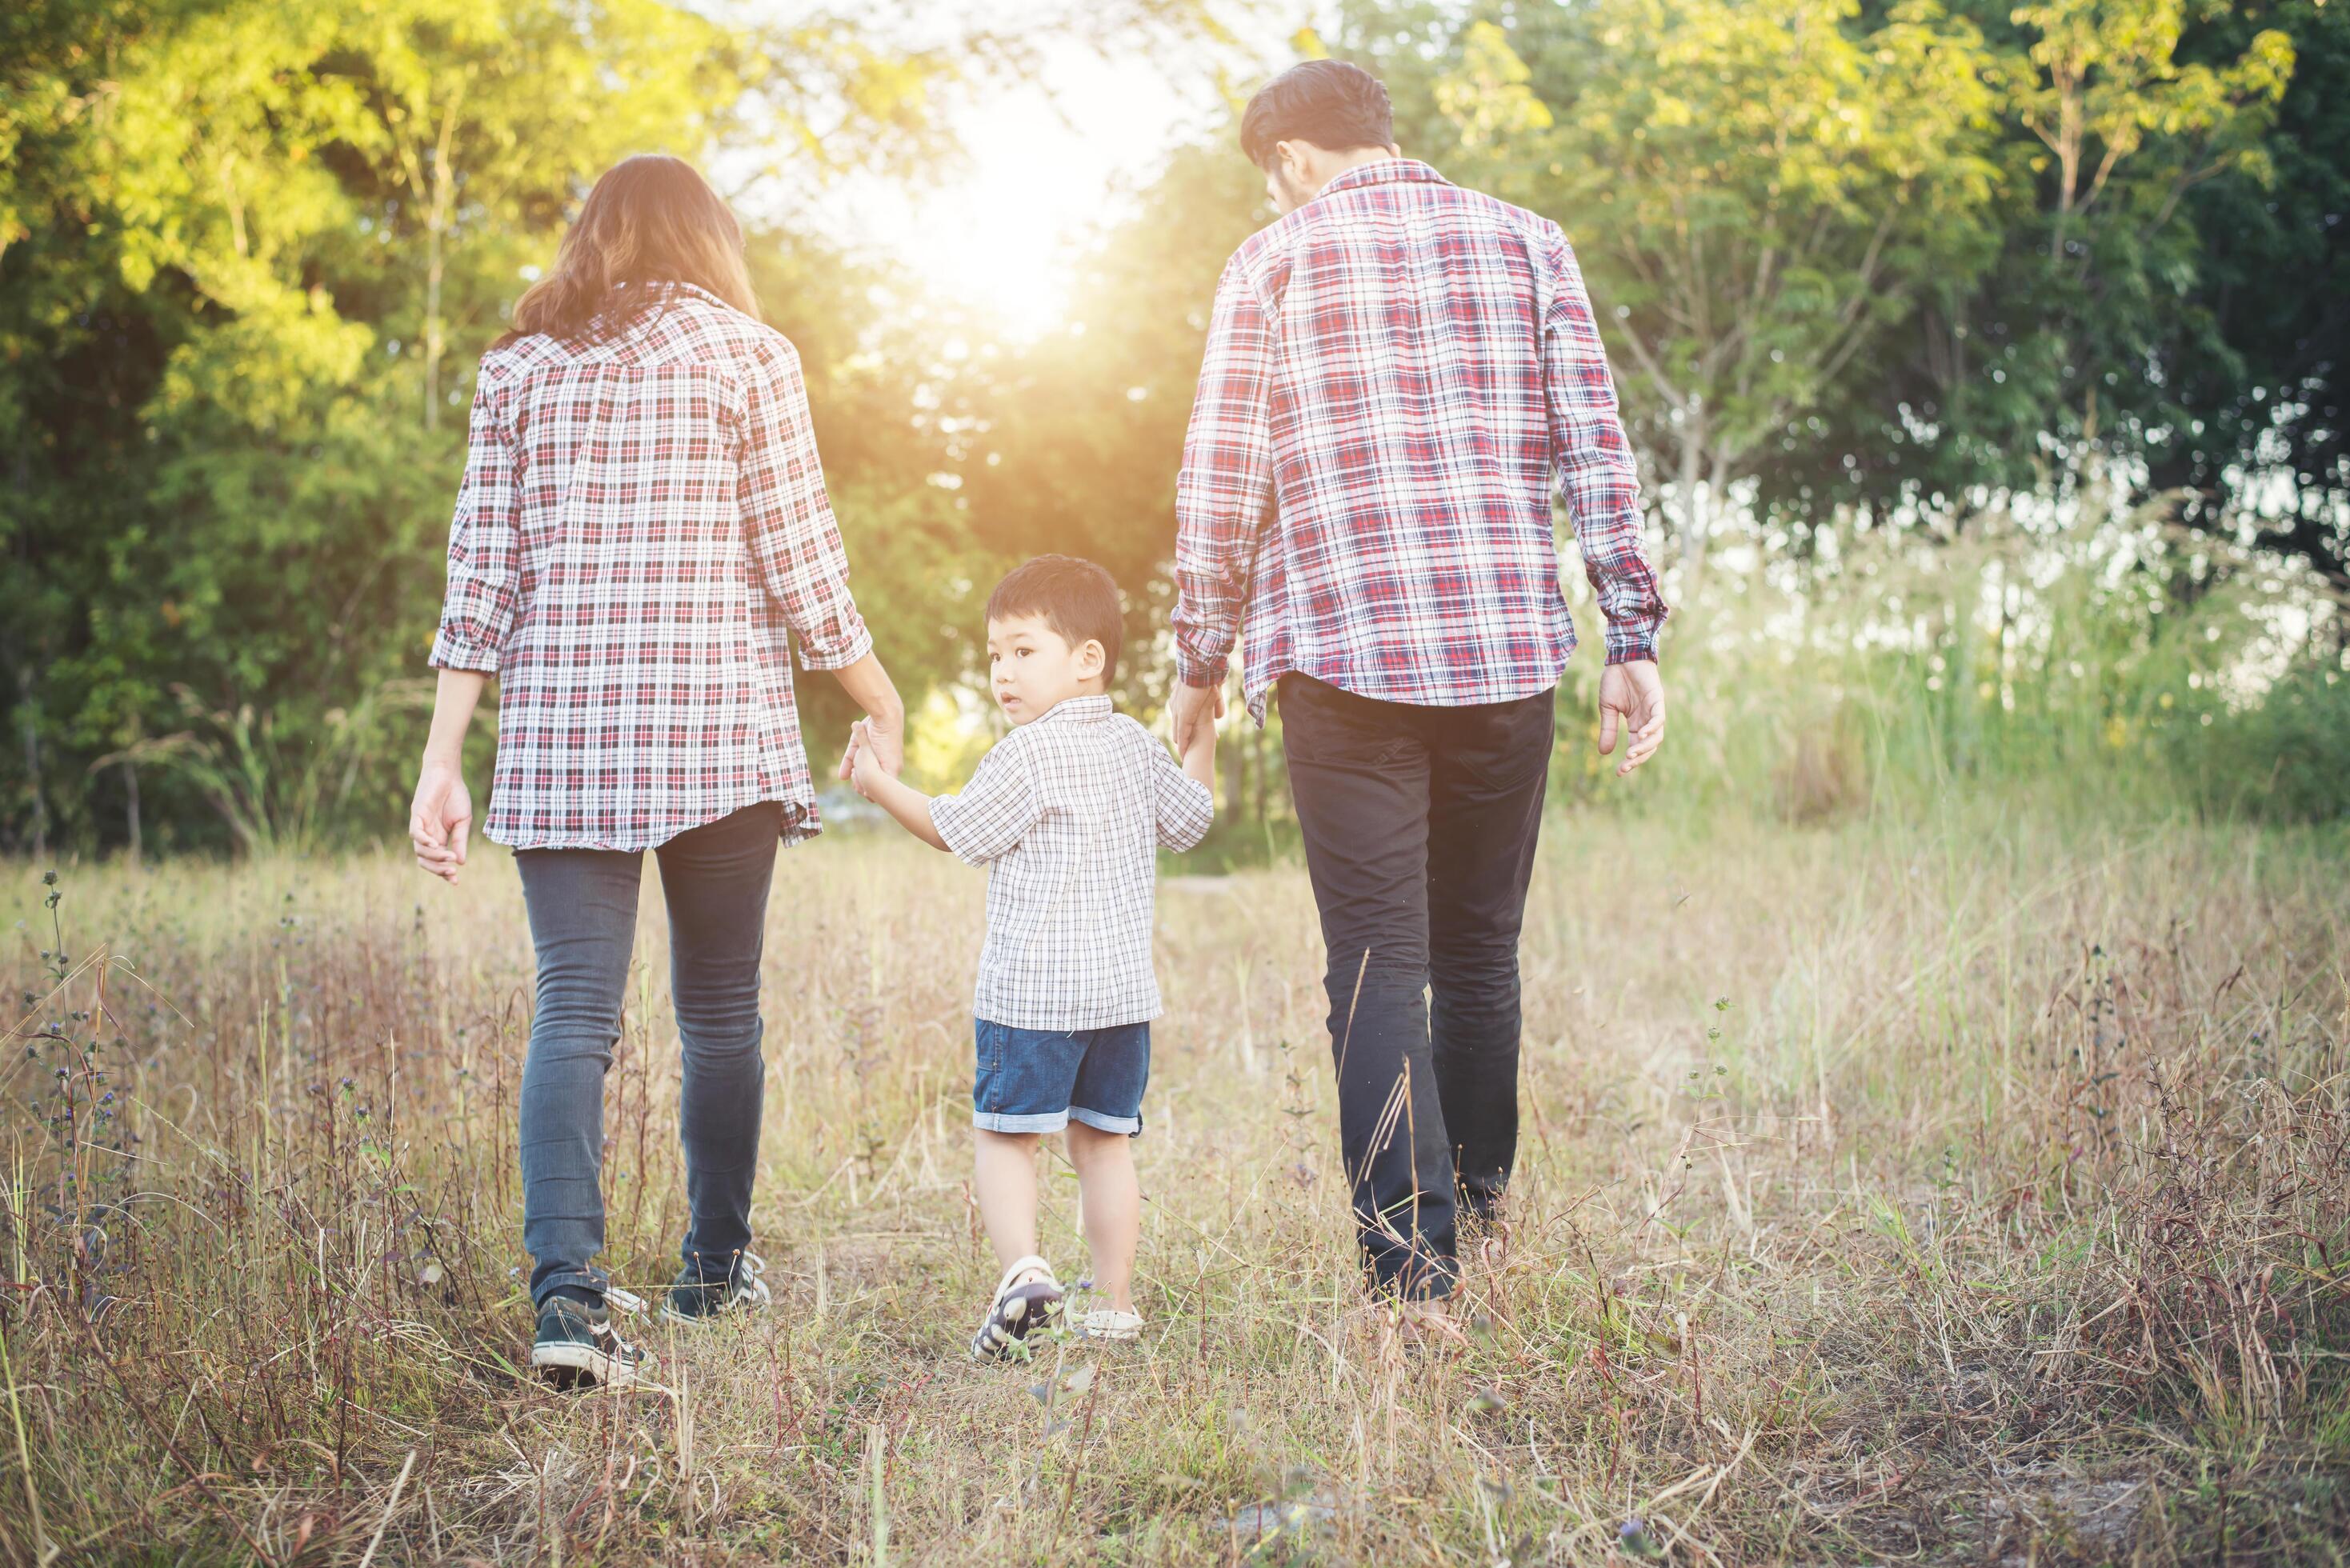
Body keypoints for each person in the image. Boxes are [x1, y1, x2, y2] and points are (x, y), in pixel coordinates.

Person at [1167, 61, 1670, 1322]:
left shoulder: (1270, 262)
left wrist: (1199, 665)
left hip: (1344, 654)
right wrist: (1632, 633)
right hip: (1504, 650)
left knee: (1377, 963)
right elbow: (1592, 443)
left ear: (1287, 158)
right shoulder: (1528, 243)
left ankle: (1411, 1277)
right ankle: (1483, 1219)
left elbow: (1220, 479)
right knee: (1480, 953)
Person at [407, 154, 908, 1388]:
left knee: (573, 1010)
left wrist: (441, 762)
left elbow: (482, 577)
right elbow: (800, 560)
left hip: (562, 733)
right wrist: (878, 691)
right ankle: (712, 1271)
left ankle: (566, 1306)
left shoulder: (517, 367)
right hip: (715, 728)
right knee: (719, 1009)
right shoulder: (748, 355)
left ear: (595, 236)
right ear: (707, 239)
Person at [843, 555, 1215, 1358]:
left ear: (1088, 659)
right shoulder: (1137, 748)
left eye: (1023, 650)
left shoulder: (1027, 754)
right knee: (1102, 1143)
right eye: (994, 656)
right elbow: (1193, 819)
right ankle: (1113, 1302)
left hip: (1031, 999)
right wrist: (1203, 732)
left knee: (1008, 1137)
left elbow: (955, 828)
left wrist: (876, 783)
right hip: (1120, 998)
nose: (1002, 672)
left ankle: (1025, 1276)